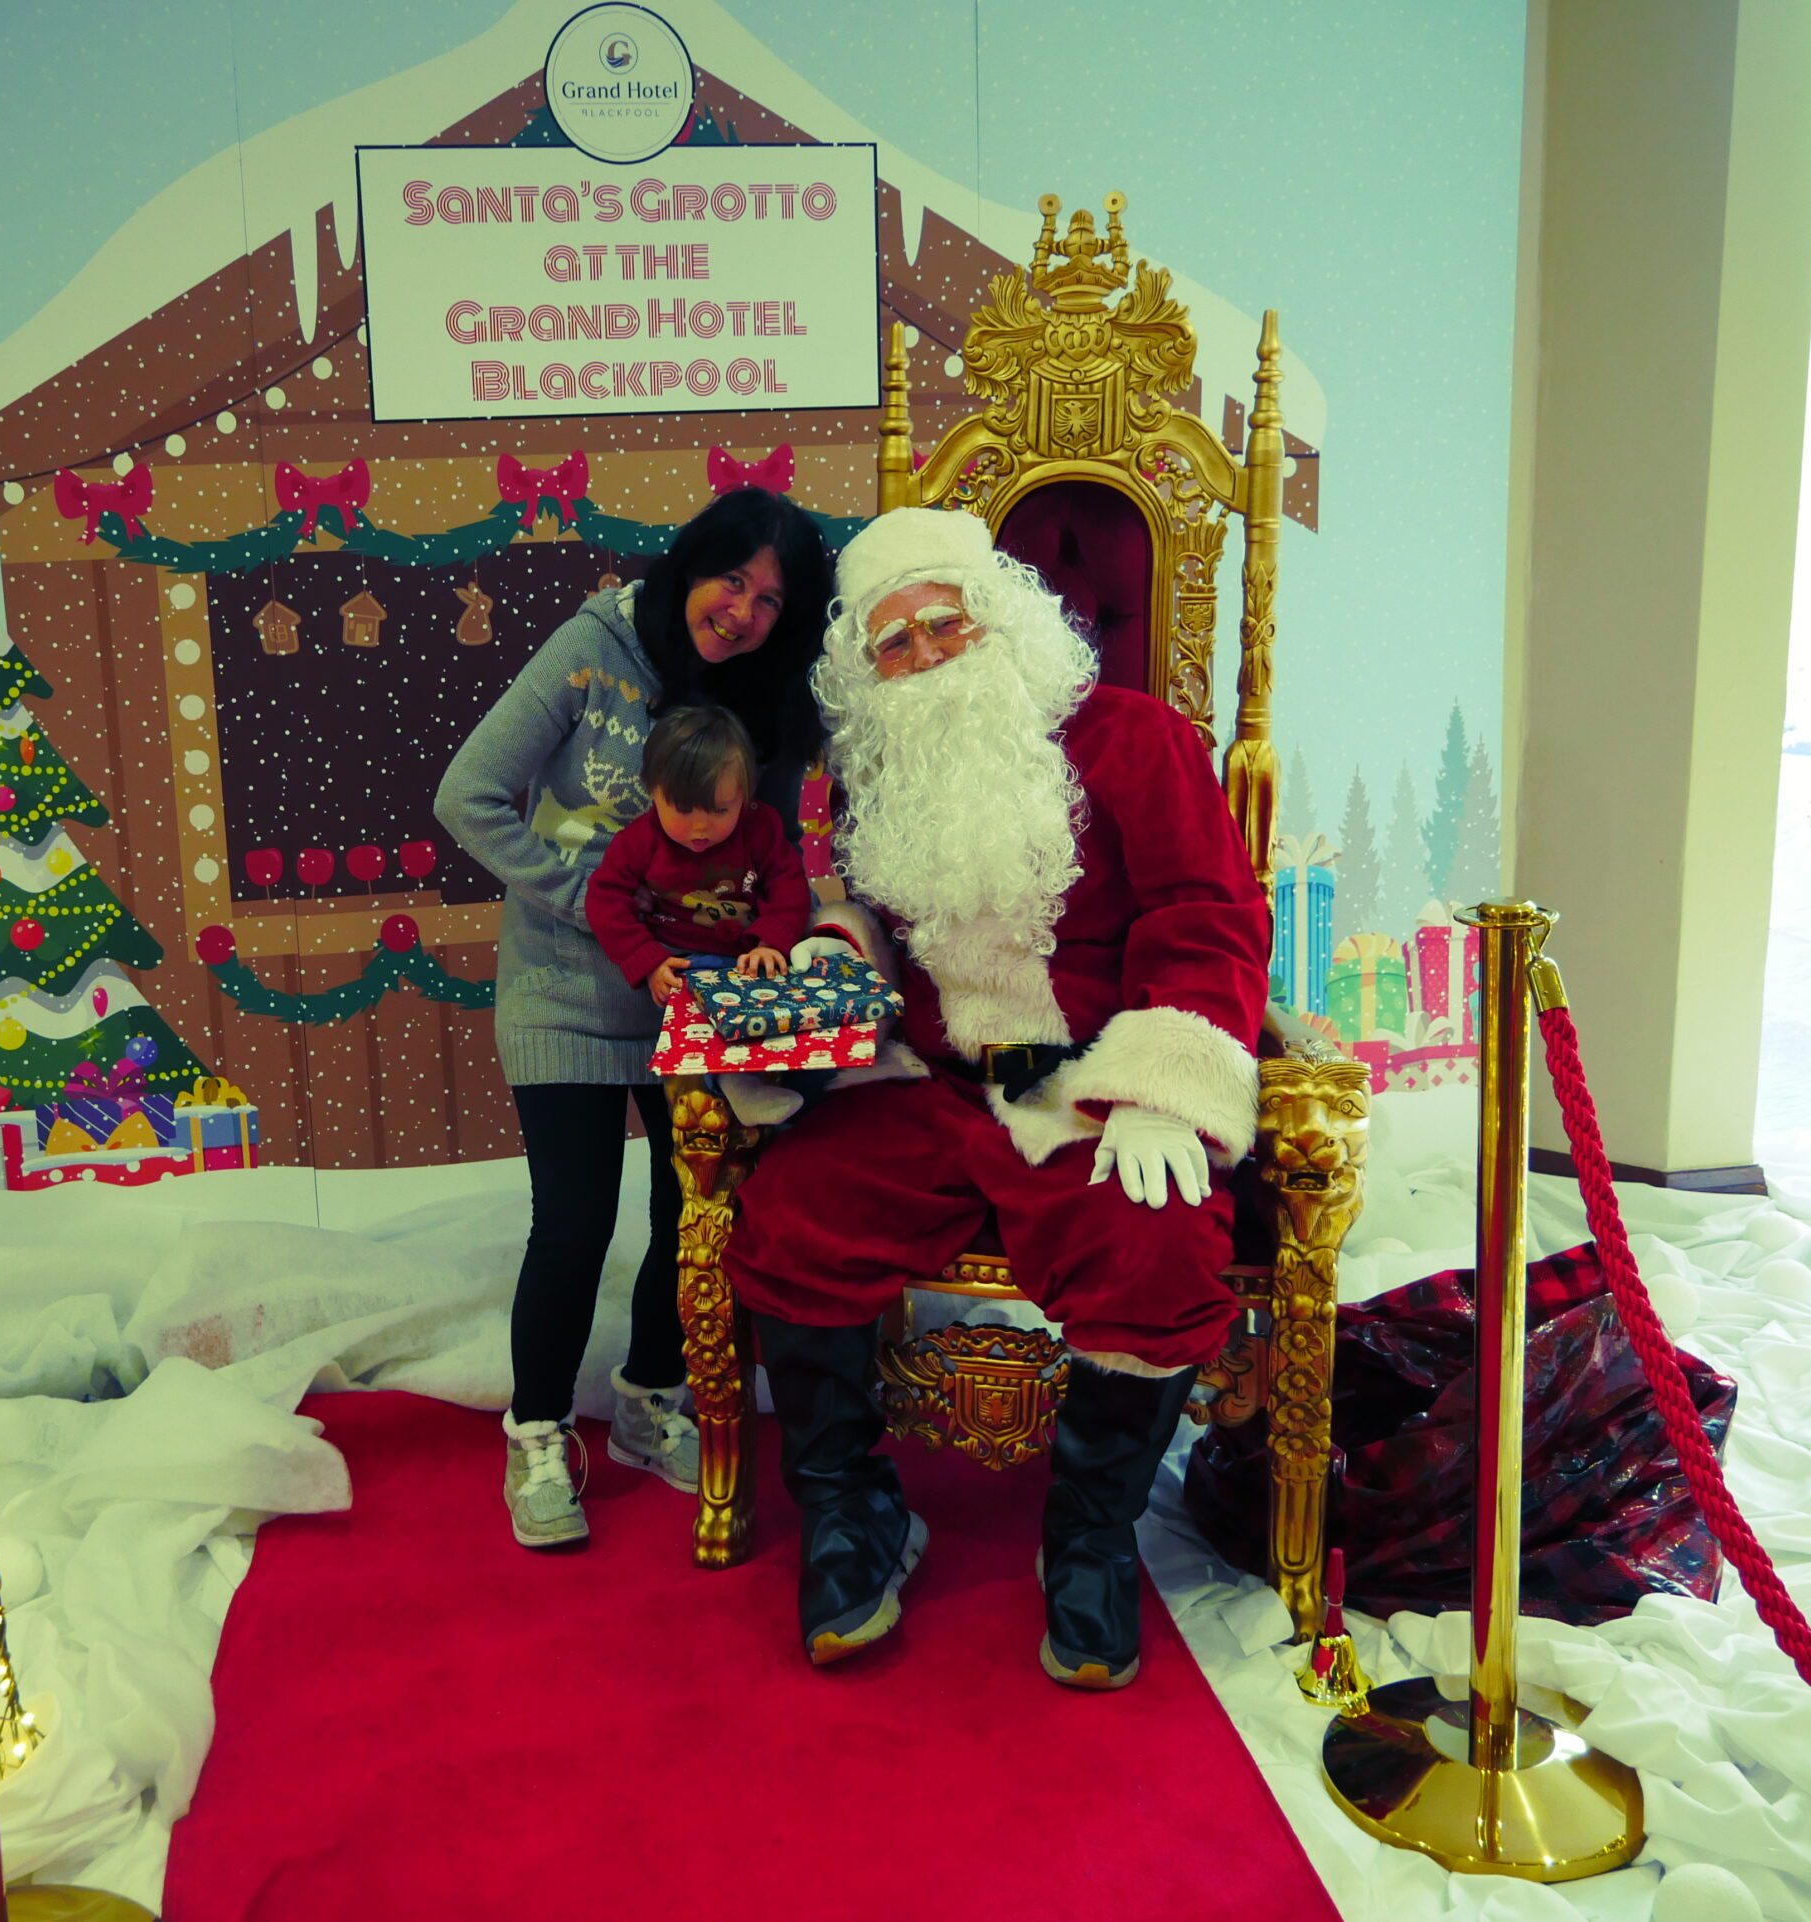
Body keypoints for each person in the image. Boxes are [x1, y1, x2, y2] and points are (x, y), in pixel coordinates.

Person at [728, 506, 1269, 1685]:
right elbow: (874, 916)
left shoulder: (1134, 738)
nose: (926, 653)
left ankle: (1089, 1533)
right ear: (868, 672)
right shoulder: (880, 773)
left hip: (1086, 1077)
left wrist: (1159, 1087)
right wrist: (831, 955)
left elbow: (1205, 913)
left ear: (1000, 618)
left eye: (945, 622)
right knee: (789, 1210)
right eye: (894, 642)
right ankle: (854, 1507)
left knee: (1157, 1242)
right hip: (930, 1084)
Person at [434, 486, 832, 1550]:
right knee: (573, 1221)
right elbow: (467, 794)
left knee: (689, 1214)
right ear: (691, 565)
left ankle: (652, 1400)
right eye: (732, 580)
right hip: (565, 991)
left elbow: (774, 860)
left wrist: (766, 948)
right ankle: (537, 1430)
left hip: (690, 1007)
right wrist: (590, 903)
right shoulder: (592, 649)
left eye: (770, 600)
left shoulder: (762, 694)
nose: (743, 612)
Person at [585, 703, 830, 1126]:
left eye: (719, 810)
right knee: (700, 1014)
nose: (700, 828)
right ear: (653, 792)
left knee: (796, 1009)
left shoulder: (760, 827)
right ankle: (735, 1084)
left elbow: (789, 882)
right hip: (686, 962)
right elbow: (604, 899)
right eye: (683, 810)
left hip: (752, 956)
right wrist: (648, 960)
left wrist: (771, 941)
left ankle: (816, 1082)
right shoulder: (640, 841)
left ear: (744, 798)